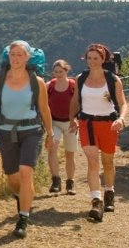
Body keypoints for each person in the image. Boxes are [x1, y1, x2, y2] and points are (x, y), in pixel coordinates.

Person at [0, 40, 53, 239]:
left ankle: (23, 218)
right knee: (13, 177)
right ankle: (21, 196)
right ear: (8, 57)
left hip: (31, 131)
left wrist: (50, 133)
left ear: (27, 57)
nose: (15, 58)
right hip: (6, 132)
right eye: (12, 54)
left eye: (20, 55)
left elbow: (44, 109)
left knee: (25, 172)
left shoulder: (37, 82)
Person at [72, 43, 128, 222]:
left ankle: (109, 192)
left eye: (96, 58)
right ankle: (97, 202)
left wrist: (121, 119)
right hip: (86, 123)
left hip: (108, 124)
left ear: (103, 59)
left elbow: (123, 103)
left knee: (108, 162)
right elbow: (75, 101)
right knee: (93, 161)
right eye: (89, 58)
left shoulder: (113, 80)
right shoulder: (80, 79)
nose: (92, 61)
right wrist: (72, 118)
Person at [44, 59, 80, 195]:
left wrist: (75, 119)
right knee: (52, 149)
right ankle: (55, 180)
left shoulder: (73, 85)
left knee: (70, 154)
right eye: (56, 72)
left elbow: (79, 103)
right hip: (54, 122)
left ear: (66, 71)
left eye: (61, 71)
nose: (58, 74)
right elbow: (43, 104)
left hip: (70, 123)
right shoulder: (49, 86)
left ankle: (70, 183)